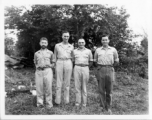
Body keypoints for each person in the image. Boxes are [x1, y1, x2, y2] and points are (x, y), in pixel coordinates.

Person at [94, 34, 119, 114]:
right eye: (103, 40)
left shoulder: (113, 50)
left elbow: (117, 60)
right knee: (101, 90)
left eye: (106, 40)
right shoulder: (98, 50)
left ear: (108, 41)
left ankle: (108, 107)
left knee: (109, 90)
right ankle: (102, 106)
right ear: (101, 41)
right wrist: (99, 68)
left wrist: (111, 66)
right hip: (100, 69)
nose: (105, 41)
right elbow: (95, 61)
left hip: (110, 69)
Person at [34, 37, 54, 109]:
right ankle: (40, 104)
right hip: (39, 72)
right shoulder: (36, 53)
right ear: (40, 43)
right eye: (42, 42)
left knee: (48, 88)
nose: (43, 44)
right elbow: (35, 62)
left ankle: (49, 104)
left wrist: (50, 66)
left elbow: (53, 62)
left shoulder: (51, 53)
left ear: (47, 44)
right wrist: (38, 67)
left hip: (48, 71)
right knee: (39, 88)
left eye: (45, 43)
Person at [54, 31, 74, 106]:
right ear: (62, 36)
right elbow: (55, 56)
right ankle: (57, 101)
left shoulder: (71, 46)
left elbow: (73, 57)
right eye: (64, 36)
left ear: (69, 37)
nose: (66, 37)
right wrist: (54, 65)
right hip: (59, 62)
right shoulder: (57, 45)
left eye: (67, 36)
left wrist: (71, 64)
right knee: (58, 82)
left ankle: (66, 101)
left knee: (67, 83)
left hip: (68, 62)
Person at [73, 38, 93, 108]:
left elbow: (91, 61)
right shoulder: (74, 51)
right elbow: (73, 60)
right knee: (77, 86)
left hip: (85, 68)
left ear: (84, 43)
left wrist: (86, 67)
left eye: (82, 42)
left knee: (84, 87)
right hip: (77, 68)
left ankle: (84, 103)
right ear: (77, 43)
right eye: (79, 42)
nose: (81, 44)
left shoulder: (88, 51)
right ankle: (77, 103)